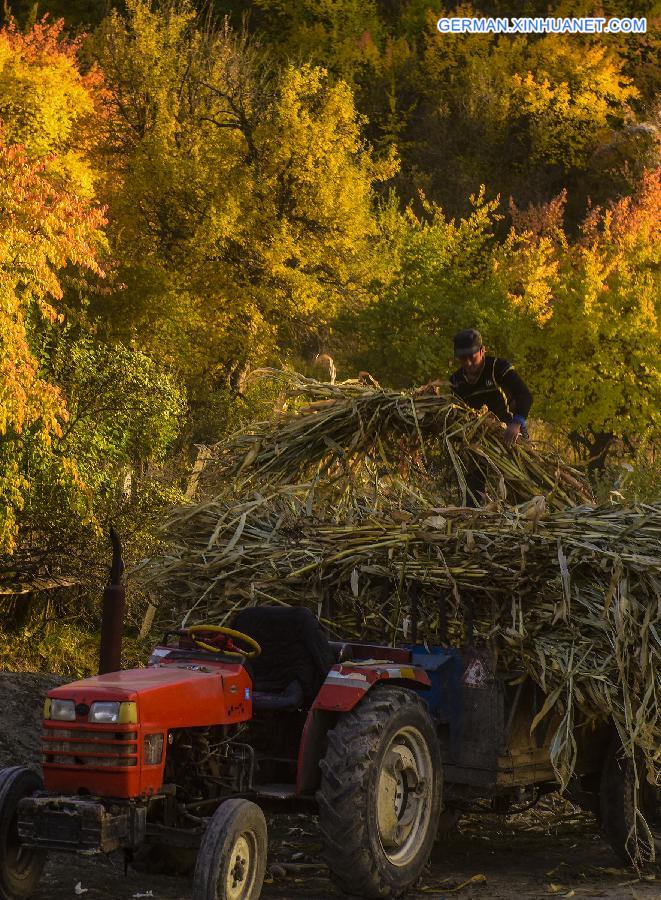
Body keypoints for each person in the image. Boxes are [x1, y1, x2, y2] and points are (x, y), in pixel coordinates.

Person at [450, 328, 532, 447]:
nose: (468, 363)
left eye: (472, 357)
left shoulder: (499, 368)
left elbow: (524, 395)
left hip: (510, 431)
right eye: (463, 358)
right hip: (479, 437)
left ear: (482, 350)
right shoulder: (456, 381)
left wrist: (517, 423)